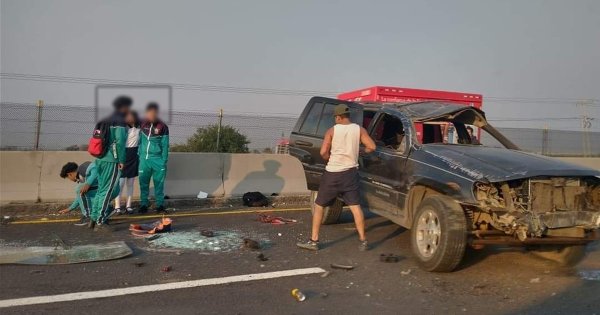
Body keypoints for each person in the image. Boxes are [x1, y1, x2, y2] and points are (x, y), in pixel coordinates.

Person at [297, 104, 376, 251]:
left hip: (333, 173)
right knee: (355, 207)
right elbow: (372, 147)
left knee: (319, 206)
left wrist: (329, 158)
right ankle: (363, 241)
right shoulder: (359, 129)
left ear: (338, 117)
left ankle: (314, 241)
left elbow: (323, 152)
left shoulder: (332, 131)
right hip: (350, 173)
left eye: (335, 117)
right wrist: (360, 152)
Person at [90, 96, 129, 231]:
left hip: (99, 159)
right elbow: (120, 142)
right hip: (111, 160)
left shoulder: (103, 120)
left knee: (101, 189)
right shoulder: (119, 122)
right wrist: (122, 160)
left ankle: (94, 218)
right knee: (108, 190)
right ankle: (100, 220)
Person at [138, 102, 169, 213]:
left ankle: (160, 205)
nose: (152, 115)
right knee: (143, 183)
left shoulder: (163, 127)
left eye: (154, 113)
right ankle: (143, 205)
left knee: (159, 184)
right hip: (144, 160)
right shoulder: (142, 124)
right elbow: (138, 140)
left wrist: (163, 161)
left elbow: (165, 145)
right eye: (149, 113)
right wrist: (139, 155)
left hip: (158, 161)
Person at [114, 110, 141, 215]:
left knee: (130, 184)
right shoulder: (123, 128)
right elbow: (117, 144)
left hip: (134, 156)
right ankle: (117, 207)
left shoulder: (139, 128)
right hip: (123, 156)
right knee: (120, 184)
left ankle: (128, 206)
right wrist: (118, 159)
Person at [59, 161, 98, 226]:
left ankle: (88, 216)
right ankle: (104, 210)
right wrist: (70, 208)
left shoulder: (83, 168)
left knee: (79, 188)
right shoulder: (81, 178)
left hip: (110, 187)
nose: (70, 179)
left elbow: (95, 168)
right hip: (103, 188)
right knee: (81, 190)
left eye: (68, 178)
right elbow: (80, 197)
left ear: (70, 174)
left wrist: (88, 183)